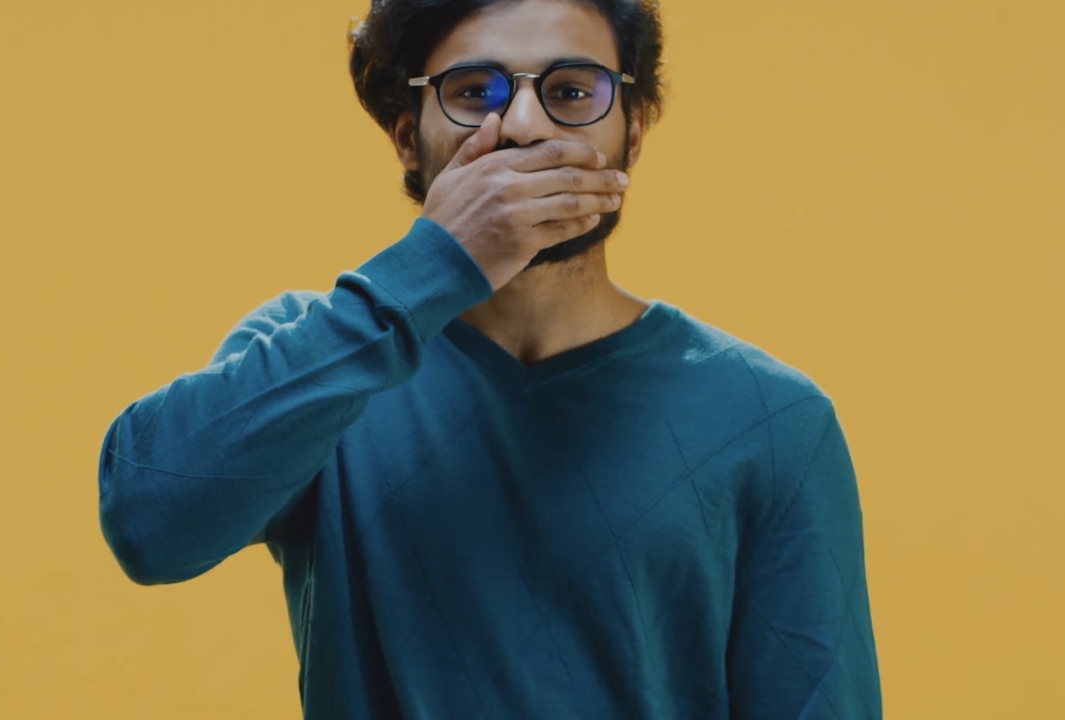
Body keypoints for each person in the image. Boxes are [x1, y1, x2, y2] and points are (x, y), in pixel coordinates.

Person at [97, 0, 884, 717]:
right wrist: (434, 265)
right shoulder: (324, 357)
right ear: (408, 137)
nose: (523, 127)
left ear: (634, 129)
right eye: (475, 92)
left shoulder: (771, 420)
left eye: (571, 91)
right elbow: (149, 523)